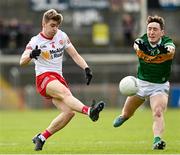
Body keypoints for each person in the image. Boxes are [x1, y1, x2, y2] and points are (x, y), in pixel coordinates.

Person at [20, 9, 105, 151]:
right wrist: (31, 55)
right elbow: (22, 61)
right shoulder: (36, 41)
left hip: (58, 78)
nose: (55, 29)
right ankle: (90, 111)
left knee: (69, 113)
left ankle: (41, 137)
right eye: (52, 25)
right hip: (44, 78)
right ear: (44, 24)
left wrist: (86, 68)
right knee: (65, 93)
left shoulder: (62, 36)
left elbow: (75, 55)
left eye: (57, 26)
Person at [113, 15, 175, 150]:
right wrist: (145, 49)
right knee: (127, 113)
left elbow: (171, 50)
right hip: (140, 85)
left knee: (158, 112)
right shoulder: (141, 41)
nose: (151, 32)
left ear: (162, 32)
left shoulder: (168, 42)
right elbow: (136, 46)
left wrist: (164, 50)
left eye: (155, 29)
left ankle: (157, 141)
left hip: (159, 86)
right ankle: (124, 116)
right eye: (149, 29)